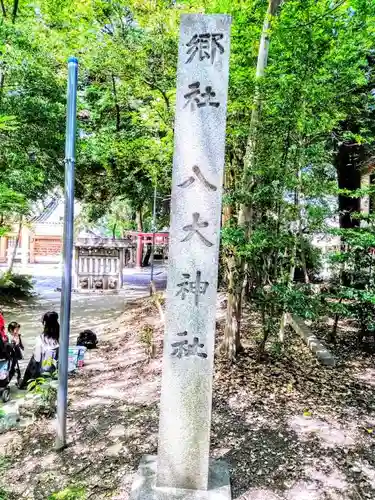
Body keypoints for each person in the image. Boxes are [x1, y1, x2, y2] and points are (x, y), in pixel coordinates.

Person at [20, 311, 60, 389]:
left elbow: (37, 358)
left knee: (34, 359)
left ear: (45, 324)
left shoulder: (41, 339)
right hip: (56, 367)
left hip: (45, 369)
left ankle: (26, 384)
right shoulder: (61, 335)